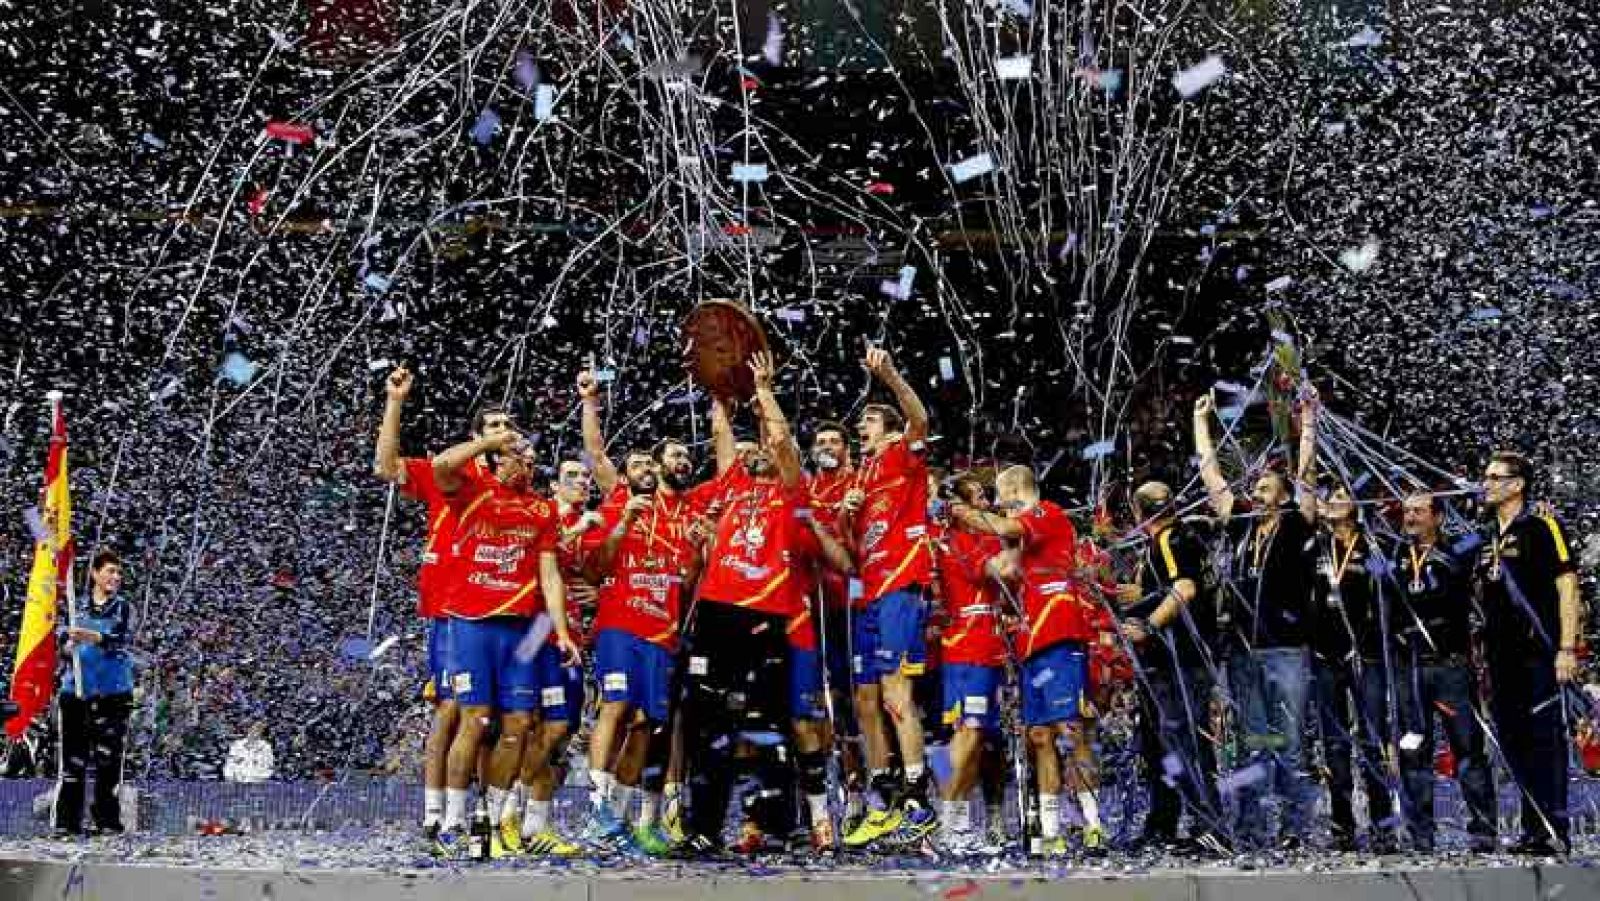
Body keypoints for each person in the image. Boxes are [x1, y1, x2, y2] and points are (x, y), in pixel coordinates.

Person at [676, 352, 810, 856]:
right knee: (706, 723)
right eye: (746, 449)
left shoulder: (792, 493)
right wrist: (718, 390)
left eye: (761, 450)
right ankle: (703, 829)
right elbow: (721, 435)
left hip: (764, 617)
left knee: (766, 724)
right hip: (715, 614)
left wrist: (764, 391)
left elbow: (780, 440)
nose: (753, 452)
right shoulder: (732, 487)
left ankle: (774, 825)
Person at [431, 423, 581, 858]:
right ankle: (451, 823)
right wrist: (487, 442)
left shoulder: (541, 510)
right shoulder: (472, 489)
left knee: (518, 725)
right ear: (498, 459)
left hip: (520, 631)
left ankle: (494, 821)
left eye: (533, 463)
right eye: (519, 459)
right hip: (472, 621)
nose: (528, 468)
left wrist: (563, 631)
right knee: (475, 718)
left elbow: (549, 574)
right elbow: (442, 464)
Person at [372, 366, 503, 840]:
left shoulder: (517, 484)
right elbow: (386, 468)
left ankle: (487, 812)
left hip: (502, 617)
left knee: (493, 718)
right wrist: (395, 402)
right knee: (450, 710)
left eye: (508, 427)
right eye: (493, 426)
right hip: (452, 611)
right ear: (476, 436)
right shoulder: (453, 471)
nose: (502, 433)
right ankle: (436, 813)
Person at [950, 466, 1107, 856]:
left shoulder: (1047, 513)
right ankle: (1051, 831)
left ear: (1017, 488)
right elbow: (1002, 566)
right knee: (1039, 736)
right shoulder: (1020, 535)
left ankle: (1093, 824)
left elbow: (1007, 529)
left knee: (1070, 729)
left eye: (1001, 494)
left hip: (1060, 633)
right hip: (1031, 642)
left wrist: (966, 513)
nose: (998, 502)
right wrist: (960, 537)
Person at [1193, 390, 1319, 850]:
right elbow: (1213, 482)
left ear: (1283, 495)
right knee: (1251, 745)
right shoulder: (1244, 527)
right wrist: (1201, 424)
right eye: (1255, 488)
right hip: (1245, 653)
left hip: (1286, 651)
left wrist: (1308, 423)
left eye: (1264, 487)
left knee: (1288, 744)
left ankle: (1296, 830)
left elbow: (1307, 476)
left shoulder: (1296, 524)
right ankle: (1250, 829)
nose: (1255, 492)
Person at [839, 345, 939, 848]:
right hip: (869, 598)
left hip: (902, 586)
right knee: (868, 700)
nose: (861, 429)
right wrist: (843, 513)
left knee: (899, 695)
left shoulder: (904, 455)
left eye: (869, 421)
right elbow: (854, 551)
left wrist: (891, 376)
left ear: (891, 431)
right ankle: (885, 799)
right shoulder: (860, 479)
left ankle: (920, 800)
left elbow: (921, 416)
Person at [578, 450, 700, 856]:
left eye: (651, 465)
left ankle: (620, 816)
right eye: (637, 466)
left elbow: (686, 582)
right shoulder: (613, 508)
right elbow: (595, 570)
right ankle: (595, 808)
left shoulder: (674, 521)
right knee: (615, 706)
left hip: (660, 634)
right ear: (625, 477)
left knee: (647, 724)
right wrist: (625, 522)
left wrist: (698, 550)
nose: (646, 471)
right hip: (620, 628)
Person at [1476, 451, 1581, 855]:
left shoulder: (1542, 526)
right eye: (1485, 476)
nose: (1485, 483)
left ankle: (1554, 829)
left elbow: (1567, 585)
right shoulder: (1487, 535)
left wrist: (1566, 647)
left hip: (1539, 653)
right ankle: (1531, 828)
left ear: (1517, 484)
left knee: (1545, 740)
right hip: (1502, 659)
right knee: (1514, 741)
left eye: (1494, 477)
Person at [1116, 481, 1227, 856]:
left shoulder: (1170, 538)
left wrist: (1149, 625)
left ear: (1138, 512)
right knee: (1159, 746)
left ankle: (1210, 825)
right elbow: (1166, 586)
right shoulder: (1169, 540)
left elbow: (1185, 588)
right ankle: (1162, 822)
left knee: (1186, 743)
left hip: (1180, 661)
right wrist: (1141, 594)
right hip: (1165, 663)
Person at [1390, 493, 1495, 853]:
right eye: (1406, 511)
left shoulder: (1459, 549)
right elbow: (1369, 577)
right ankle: (1421, 835)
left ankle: (1483, 831)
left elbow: (1488, 531)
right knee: (1413, 753)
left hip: (1451, 666)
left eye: (1419, 511)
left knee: (1468, 752)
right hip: (1410, 669)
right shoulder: (1393, 555)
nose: (1410, 517)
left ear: (1437, 516)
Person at [1307, 482, 1397, 853]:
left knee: (1373, 743)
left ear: (1358, 504)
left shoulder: (1373, 547)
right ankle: (1343, 824)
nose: (1330, 501)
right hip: (1325, 659)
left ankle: (1383, 824)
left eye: (1340, 495)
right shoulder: (1314, 547)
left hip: (1366, 658)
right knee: (1334, 746)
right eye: (1325, 494)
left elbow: (1389, 590)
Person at [931, 472, 1006, 853]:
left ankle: (962, 825)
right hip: (968, 647)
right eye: (977, 496)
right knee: (969, 733)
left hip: (987, 647)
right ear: (958, 506)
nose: (986, 503)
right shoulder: (959, 540)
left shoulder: (977, 536)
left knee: (981, 739)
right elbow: (999, 571)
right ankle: (948, 820)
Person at [53, 550, 135, 837]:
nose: (115, 578)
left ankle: (107, 821)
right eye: (110, 571)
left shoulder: (123, 607)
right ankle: (66, 822)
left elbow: (119, 640)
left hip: (113, 694)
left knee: (109, 762)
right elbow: (61, 644)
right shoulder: (76, 608)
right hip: (76, 691)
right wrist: (67, 647)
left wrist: (89, 636)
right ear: (95, 574)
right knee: (73, 760)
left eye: (118, 573)